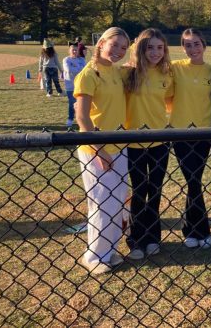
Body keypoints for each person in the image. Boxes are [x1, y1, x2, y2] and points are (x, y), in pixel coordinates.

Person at [74, 27, 130, 275]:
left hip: (120, 146)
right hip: (96, 149)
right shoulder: (89, 74)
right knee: (101, 202)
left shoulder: (116, 71)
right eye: (114, 45)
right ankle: (94, 255)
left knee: (117, 202)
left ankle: (108, 250)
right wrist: (99, 151)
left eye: (123, 48)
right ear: (100, 44)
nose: (118, 51)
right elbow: (82, 117)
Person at [123, 28, 174, 260]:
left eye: (159, 47)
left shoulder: (167, 74)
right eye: (150, 47)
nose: (155, 52)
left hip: (159, 144)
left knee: (155, 191)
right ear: (140, 48)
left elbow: (171, 104)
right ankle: (136, 239)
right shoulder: (127, 73)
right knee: (138, 192)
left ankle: (153, 237)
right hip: (132, 143)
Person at [170, 29, 211, 249]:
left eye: (196, 44)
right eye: (188, 45)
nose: (193, 49)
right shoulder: (175, 68)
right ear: (182, 47)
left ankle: (194, 230)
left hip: (204, 134)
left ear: (204, 45)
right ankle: (197, 231)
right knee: (193, 180)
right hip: (180, 133)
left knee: (194, 181)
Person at [63, 43, 87, 128]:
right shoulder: (66, 60)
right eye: (73, 50)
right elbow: (68, 70)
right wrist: (78, 68)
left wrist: (76, 68)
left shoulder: (82, 60)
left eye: (76, 50)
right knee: (72, 103)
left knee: (82, 103)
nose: (74, 51)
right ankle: (70, 119)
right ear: (69, 51)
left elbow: (84, 70)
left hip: (81, 85)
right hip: (70, 85)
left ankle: (81, 119)